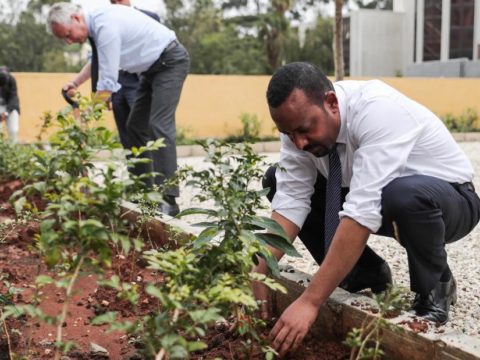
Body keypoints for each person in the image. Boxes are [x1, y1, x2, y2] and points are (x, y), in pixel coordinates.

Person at [253, 62, 480, 357]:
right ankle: (366, 273)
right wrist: (258, 273)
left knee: (404, 195)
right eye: (288, 133)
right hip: (384, 197)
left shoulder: (377, 110)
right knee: (275, 179)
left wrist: (310, 301)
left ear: (331, 103)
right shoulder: (298, 132)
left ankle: (436, 286)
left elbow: (361, 213)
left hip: (450, 200)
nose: (299, 142)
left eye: (304, 130)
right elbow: (291, 202)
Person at [47, 2, 190, 216]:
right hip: (151, 71)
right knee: (134, 126)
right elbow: (98, 61)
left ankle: (168, 199)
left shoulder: (104, 24)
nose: (69, 42)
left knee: (159, 124)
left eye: (68, 34)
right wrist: (76, 83)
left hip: (170, 62)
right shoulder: (96, 26)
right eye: (64, 39)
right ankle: (144, 191)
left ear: (76, 19)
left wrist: (88, 113)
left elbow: (107, 81)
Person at [0, 67, 20, 143]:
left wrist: (6, 113)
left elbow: (13, 98)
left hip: (10, 106)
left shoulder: (11, 80)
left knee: (13, 130)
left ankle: (13, 148)